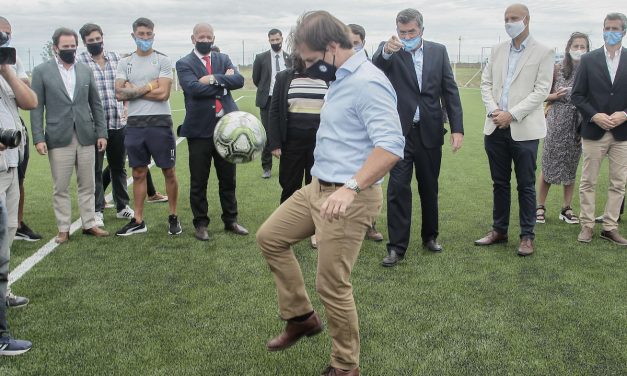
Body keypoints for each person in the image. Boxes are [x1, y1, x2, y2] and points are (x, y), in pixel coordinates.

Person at [257, 11, 405, 376]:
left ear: (334, 47)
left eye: (310, 59)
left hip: (349, 197)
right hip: (317, 189)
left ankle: (345, 366)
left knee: (332, 285)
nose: (307, 68)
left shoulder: (368, 82)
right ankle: (301, 318)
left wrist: (351, 188)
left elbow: (390, 147)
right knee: (270, 238)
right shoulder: (339, 78)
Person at [373, 8, 464, 266]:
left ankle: (430, 236)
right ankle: (396, 248)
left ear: (421, 30)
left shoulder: (439, 51)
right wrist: (387, 51)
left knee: (428, 186)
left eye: (411, 31)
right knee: (398, 188)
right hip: (399, 134)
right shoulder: (389, 50)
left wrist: (457, 128)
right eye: (402, 32)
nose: (406, 36)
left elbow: (450, 91)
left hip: (430, 131)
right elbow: (375, 67)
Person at [475, 4, 553, 256]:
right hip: (495, 126)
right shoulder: (497, 50)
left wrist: (512, 114)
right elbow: (485, 83)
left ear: (527, 20)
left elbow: (541, 91)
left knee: (526, 185)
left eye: (514, 18)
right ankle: (499, 230)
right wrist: (495, 111)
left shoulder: (544, 51)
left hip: (524, 130)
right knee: (499, 183)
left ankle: (527, 236)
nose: (509, 23)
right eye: (506, 19)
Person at [30, 27, 110, 244]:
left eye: (73, 46)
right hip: (58, 137)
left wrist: (101, 133)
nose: (70, 50)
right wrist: (38, 138)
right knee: (61, 186)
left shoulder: (85, 70)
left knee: (88, 183)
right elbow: (36, 108)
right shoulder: (41, 71)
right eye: (65, 47)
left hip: (86, 135)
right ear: (55, 47)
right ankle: (63, 228)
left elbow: (96, 104)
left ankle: (89, 223)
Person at [175, 23, 248, 241]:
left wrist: (213, 79)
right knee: (199, 180)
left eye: (209, 37)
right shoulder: (184, 63)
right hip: (199, 131)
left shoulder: (223, 58)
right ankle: (201, 224)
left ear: (214, 38)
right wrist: (224, 83)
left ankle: (231, 220)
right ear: (193, 38)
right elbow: (193, 89)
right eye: (201, 36)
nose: (205, 40)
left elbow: (239, 80)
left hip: (226, 129)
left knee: (228, 178)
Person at [114, 17, 181, 236]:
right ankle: (138, 220)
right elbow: (119, 93)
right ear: (133, 35)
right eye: (141, 34)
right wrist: (150, 86)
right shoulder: (125, 62)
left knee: (168, 171)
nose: (145, 38)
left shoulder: (162, 60)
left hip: (160, 123)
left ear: (153, 35)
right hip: (135, 124)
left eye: (149, 34)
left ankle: (173, 216)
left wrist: (136, 89)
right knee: (138, 172)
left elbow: (163, 94)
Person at [571, 12, 627, 245]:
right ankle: (586, 225)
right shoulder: (589, 60)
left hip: (622, 133)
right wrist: (595, 115)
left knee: (618, 182)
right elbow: (577, 95)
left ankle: (610, 227)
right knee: (588, 181)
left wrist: (624, 114)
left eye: (615, 28)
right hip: (594, 131)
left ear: (623, 32)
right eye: (607, 28)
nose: (610, 32)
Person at [77, 23, 134, 228]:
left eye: (97, 38)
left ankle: (122, 206)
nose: (95, 43)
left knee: (118, 167)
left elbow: (126, 84)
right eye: (90, 41)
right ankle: (97, 209)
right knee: (95, 170)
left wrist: (126, 105)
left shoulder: (117, 59)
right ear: (84, 42)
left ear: (103, 37)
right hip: (93, 127)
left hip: (118, 122)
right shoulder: (79, 61)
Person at [267, 54, 327, 248]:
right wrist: (275, 143)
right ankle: (284, 230)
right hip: (291, 142)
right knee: (289, 186)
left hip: (320, 144)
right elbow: (275, 110)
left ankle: (316, 230)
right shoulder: (285, 77)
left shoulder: (328, 76)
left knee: (317, 188)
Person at [0, 31, 36, 354]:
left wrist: (7, 70)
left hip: (11, 163)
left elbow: (30, 101)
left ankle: (3, 292)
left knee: (8, 233)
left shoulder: (8, 67)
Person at [536, 32, 590, 225]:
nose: (579, 50)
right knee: (549, 164)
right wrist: (554, 96)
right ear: (568, 48)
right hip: (556, 120)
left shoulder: (589, 71)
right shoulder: (556, 69)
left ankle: (566, 208)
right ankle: (540, 206)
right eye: (575, 46)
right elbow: (540, 94)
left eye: (583, 47)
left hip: (578, 123)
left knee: (571, 165)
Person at [0, 17, 42, 243]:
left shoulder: (11, 63)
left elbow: (30, 101)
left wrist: (6, 71)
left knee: (9, 226)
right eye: (1, 35)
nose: (6, 40)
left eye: (8, 35)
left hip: (11, 155)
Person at [347, 23, 383, 242]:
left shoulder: (374, 64)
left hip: (369, 131)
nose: (352, 48)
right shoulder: (338, 67)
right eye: (348, 44)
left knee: (370, 176)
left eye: (356, 43)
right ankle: (347, 223)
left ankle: (370, 225)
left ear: (363, 42)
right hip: (349, 133)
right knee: (347, 176)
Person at [253, 28, 291, 179]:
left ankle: (287, 164)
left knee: (287, 133)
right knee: (268, 135)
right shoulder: (261, 58)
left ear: (282, 39)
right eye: (272, 40)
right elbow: (256, 79)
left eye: (278, 39)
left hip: (286, 101)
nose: (275, 42)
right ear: (269, 40)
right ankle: (266, 167)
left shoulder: (290, 58)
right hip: (267, 101)